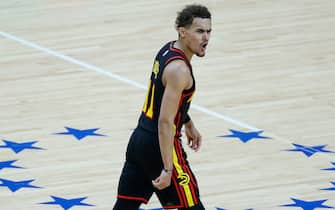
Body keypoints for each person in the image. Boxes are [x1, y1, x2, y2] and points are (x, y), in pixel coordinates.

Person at [113, 4, 212, 210]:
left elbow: (162, 98)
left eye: (208, 31)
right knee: (192, 205)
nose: (206, 38)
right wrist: (168, 169)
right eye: (199, 31)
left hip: (139, 141)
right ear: (183, 32)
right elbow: (165, 122)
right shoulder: (180, 70)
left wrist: (188, 121)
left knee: (124, 207)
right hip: (160, 146)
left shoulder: (167, 49)